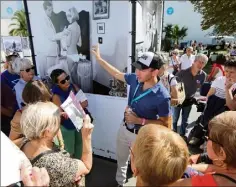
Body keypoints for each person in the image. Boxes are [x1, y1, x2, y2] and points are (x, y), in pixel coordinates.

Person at [92, 44, 172, 186]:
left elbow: (166, 125)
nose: (137, 72)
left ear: (155, 72)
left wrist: (139, 120)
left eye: (142, 69)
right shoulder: (135, 79)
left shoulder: (162, 96)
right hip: (124, 129)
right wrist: (98, 58)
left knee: (140, 169)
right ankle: (120, 183)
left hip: (142, 136)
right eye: (137, 67)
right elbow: (116, 73)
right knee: (121, 160)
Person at [20, 102, 93, 187]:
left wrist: (57, 115)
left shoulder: (26, 142)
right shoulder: (56, 164)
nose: (59, 123)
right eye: (57, 122)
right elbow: (86, 166)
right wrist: (86, 136)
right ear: (47, 132)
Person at [174, 111, 236, 186]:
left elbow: (169, 184)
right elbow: (212, 168)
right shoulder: (231, 168)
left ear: (221, 152)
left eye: (208, 137)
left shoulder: (206, 183)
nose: (206, 138)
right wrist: (188, 167)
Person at [9, 80, 64, 149]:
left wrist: (61, 144)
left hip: (53, 149)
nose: (45, 103)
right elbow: (12, 142)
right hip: (33, 154)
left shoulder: (48, 106)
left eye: (46, 100)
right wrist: (31, 138)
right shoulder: (20, 116)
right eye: (42, 101)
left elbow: (56, 127)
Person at [51, 68, 88, 159]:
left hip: (78, 122)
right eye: (63, 81)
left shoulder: (73, 86)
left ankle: (80, 170)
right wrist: (76, 106)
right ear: (57, 83)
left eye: (67, 78)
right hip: (67, 127)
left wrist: (70, 108)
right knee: (69, 152)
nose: (67, 81)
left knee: (80, 147)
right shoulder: (56, 96)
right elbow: (61, 114)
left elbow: (85, 102)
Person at [173, 54, 208, 138]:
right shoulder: (183, 72)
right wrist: (179, 96)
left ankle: (182, 135)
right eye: (199, 62)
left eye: (203, 63)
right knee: (175, 118)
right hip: (178, 99)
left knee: (185, 120)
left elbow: (198, 87)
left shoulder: (203, 75)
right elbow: (173, 85)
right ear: (194, 61)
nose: (201, 65)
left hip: (189, 100)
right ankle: (173, 133)